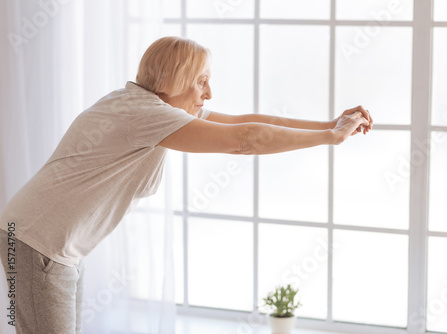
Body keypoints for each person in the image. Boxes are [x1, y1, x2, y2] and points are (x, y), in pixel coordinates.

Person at [0, 36, 373, 333]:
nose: (208, 94)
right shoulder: (146, 114)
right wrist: (330, 138)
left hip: (45, 241)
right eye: (201, 81)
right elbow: (246, 138)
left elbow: (248, 121)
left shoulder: (145, 104)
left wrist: (329, 125)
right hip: (37, 240)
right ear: (171, 80)